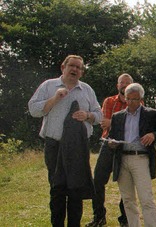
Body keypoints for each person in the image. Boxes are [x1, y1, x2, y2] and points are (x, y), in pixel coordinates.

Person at [28, 55, 103, 226]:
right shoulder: (48, 86)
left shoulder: (87, 90)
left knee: (76, 190)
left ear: (82, 72)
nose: (75, 69)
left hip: (78, 147)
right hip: (54, 145)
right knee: (57, 190)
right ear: (63, 67)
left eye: (79, 67)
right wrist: (55, 99)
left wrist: (88, 115)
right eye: (72, 66)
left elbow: (100, 116)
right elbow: (33, 109)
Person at [108, 83, 156, 227]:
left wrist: (153, 135)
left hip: (141, 158)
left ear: (141, 99)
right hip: (122, 158)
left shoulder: (151, 114)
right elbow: (112, 136)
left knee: (146, 198)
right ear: (125, 98)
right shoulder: (117, 117)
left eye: (135, 99)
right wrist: (111, 143)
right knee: (128, 200)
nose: (131, 102)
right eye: (128, 99)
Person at [87, 73, 135, 227]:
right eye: (122, 83)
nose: (125, 85)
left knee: (126, 184)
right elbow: (104, 123)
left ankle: (125, 220)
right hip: (108, 145)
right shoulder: (109, 101)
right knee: (98, 181)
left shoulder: (136, 103)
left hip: (126, 147)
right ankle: (99, 217)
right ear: (117, 85)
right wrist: (121, 125)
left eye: (128, 83)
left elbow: (134, 128)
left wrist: (114, 123)